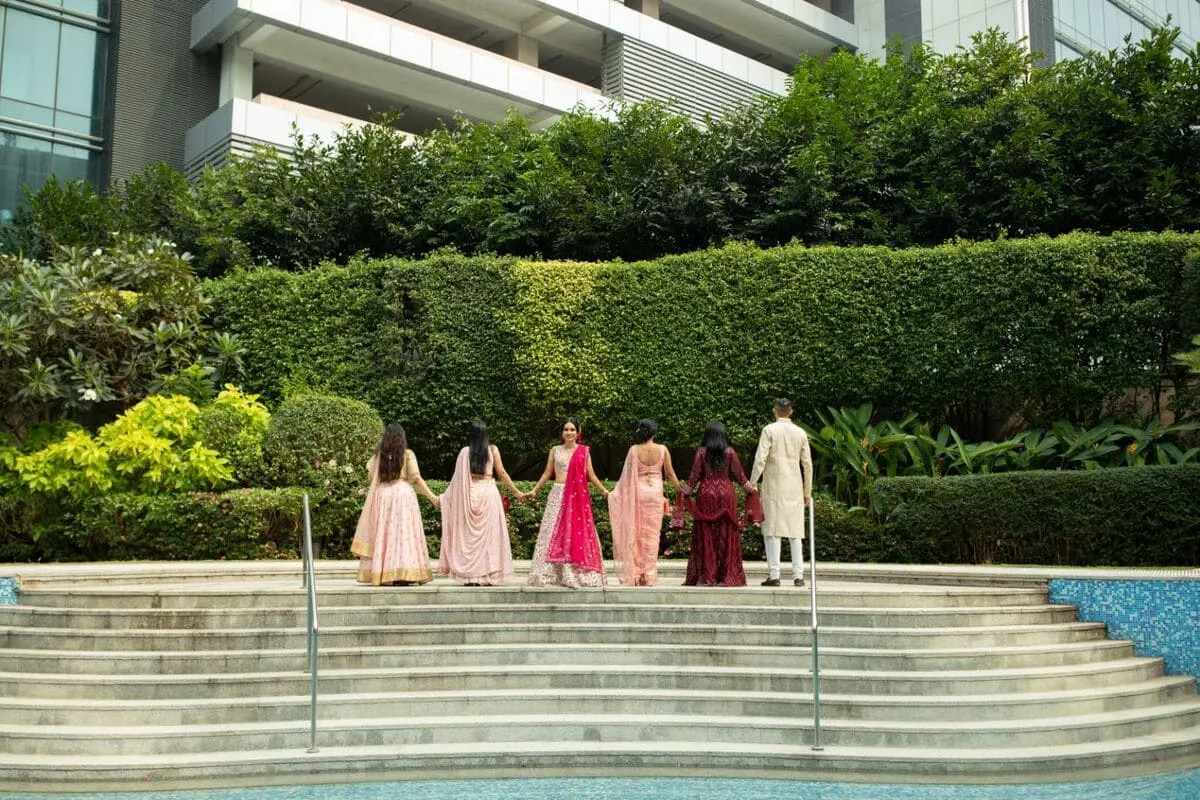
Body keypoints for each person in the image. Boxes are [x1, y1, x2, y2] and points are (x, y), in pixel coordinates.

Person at [350, 423, 440, 586]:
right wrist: (433, 497)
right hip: (403, 495)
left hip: (383, 496)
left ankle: (385, 573)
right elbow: (416, 478)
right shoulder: (407, 454)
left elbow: (371, 476)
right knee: (403, 535)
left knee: (386, 535)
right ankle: (405, 573)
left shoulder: (378, 457)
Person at [527, 417, 610, 588]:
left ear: (578, 432)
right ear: (561, 432)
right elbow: (547, 473)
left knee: (575, 531)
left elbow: (591, 475)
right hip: (558, 494)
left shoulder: (584, 451)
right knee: (551, 531)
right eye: (566, 429)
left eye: (572, 429)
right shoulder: (555, 450)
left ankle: (575, 574)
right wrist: (535, 489)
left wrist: (604, 491)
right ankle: (550, 574)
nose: (569, 432)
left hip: (576, 497)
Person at [438, 420, 523, 586]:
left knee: (470, 538)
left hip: (471, 493)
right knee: (490, 538)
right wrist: (517, 492)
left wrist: (442, 498)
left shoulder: (465, 452)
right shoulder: (493, 450)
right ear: (485, 434)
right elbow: (502, 473)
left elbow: (456, 479)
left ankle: (471, 577)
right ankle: (487, 576)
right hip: (488, 493)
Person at [681, 421, 755, 587]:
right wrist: (751, 490)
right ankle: (726, 575)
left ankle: (708, 576)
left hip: (706, 494)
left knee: (706, 533)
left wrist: (684, 491)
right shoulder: (730, 452)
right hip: (726, 495)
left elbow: (694, 477)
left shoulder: (701, 452)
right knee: (726, 533)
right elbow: (740, 476)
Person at [749, 397, 814, 587]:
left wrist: (753, 482)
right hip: (794, 485)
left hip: (774, 484)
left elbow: (760, 458)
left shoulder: (769, 430)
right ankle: (798, 575)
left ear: (775, 411)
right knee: (795, 531)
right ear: (791, 411)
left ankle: (774, 574)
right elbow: (807, 464)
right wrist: (807, 491)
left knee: (772, 530)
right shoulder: (800, 433)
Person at [608, 419, 680, 587]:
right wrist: (680, 489)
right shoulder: (662, 449)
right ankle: (649, 574)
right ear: (654, 433)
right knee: (653, 535)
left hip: (639, 493)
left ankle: (637, 574)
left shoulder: (634, 450)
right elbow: (670, 473)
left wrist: (614, 494)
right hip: (655, 493)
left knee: (637, 532)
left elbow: (627, 476)